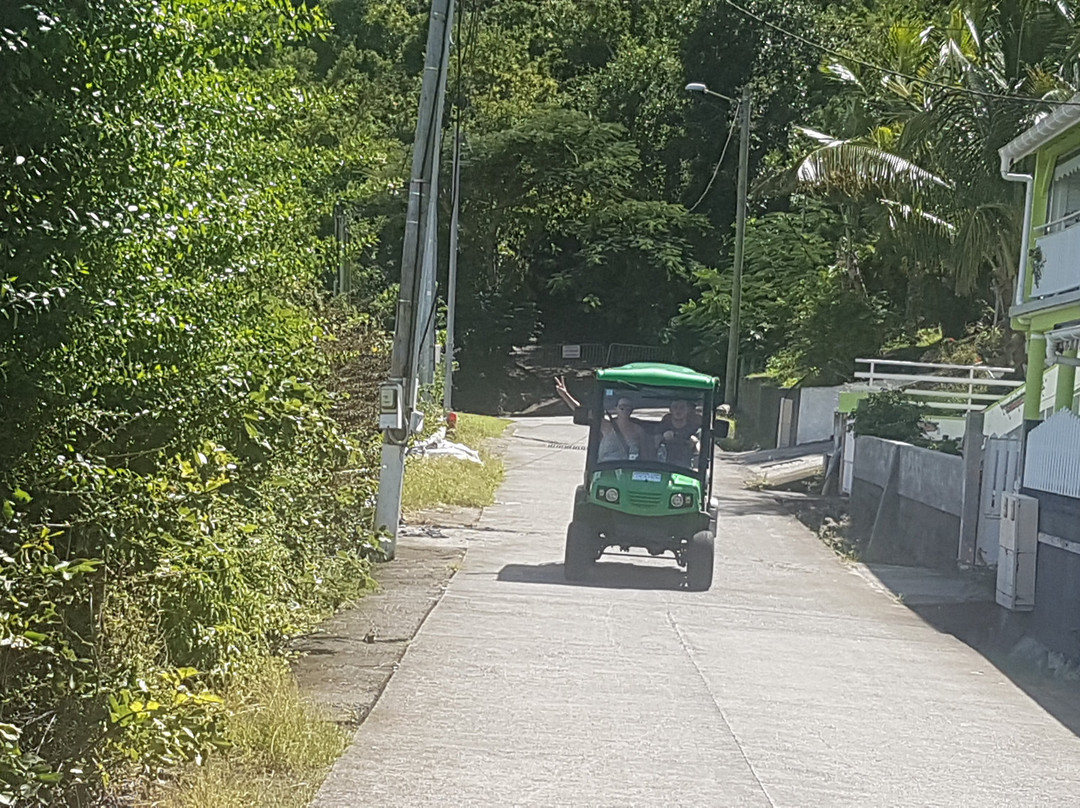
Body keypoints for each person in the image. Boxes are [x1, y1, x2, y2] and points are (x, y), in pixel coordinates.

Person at [555, 377, 649, 462]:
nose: (625, 410)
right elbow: (581, 411)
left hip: (627, 470)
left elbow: (646, 456)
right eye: (622, 407)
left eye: (628, 407)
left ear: (632, 410)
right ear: (616, 408)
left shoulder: (638, 430)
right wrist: (565, 395)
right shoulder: (606, 426)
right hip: (606, 469)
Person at [656, 398, 701, 468]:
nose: (678, 410)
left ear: (687, 410)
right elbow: (653, 442)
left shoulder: (694, 425)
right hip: (665, 463)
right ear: (670, 410)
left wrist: (695, 443)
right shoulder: (665, 423)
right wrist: (663, 437)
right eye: (675, 407)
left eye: (682, 407)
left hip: (687, 466)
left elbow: (701, 445)